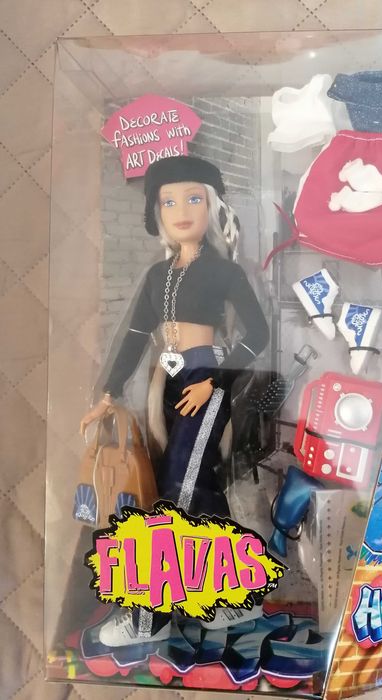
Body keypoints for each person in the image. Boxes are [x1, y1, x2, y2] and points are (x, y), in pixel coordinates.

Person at [80, 155, 269, 646]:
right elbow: (133, 338)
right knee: (193, 484)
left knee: (179, 490)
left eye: (193, 198)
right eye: (168, 201)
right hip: (166, 382)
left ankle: (150, 616)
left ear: (212, 205)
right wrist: (107, 394)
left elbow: (258, 334)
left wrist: (215, 381)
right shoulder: (156, 276)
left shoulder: (224, 272)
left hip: (205, 378)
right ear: (156, 212)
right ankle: (230, 596)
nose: (181, 210)